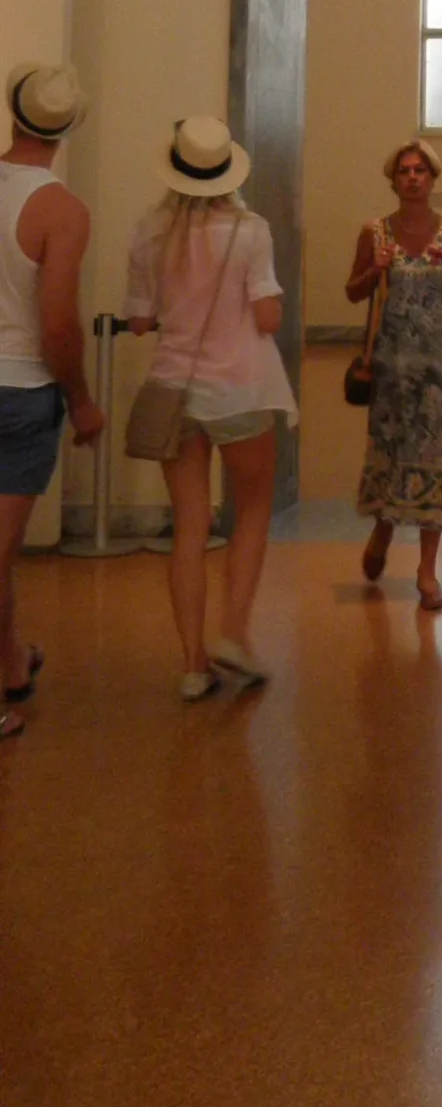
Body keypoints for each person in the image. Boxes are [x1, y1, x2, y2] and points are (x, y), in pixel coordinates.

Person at [124, 116, 294, 696]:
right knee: (252, 509)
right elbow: (267, 317)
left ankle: (193, 666)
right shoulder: (250, 230)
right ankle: (235, 634)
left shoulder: (150, 230)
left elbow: (139, 320)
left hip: (175, 391)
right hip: (241, 389)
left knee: (189, 526)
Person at [0, 64, 104, 742]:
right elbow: (59, 325)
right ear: (67, 129)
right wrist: (83, 400)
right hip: (20, 389)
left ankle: (11, 662)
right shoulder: (61, 211)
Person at [346, 140, 442, 612]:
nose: (413, 177)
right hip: (389, 368)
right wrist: (375, 268)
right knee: (390, 454)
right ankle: (383, 529)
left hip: (435, 371)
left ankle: (427, 570)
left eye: (421, 170)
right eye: (405, 171)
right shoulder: (375, 233)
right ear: (393, 180)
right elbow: (353, 292)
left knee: (433, 459)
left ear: (432, 179)